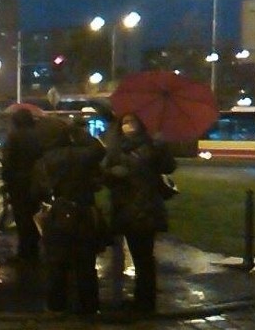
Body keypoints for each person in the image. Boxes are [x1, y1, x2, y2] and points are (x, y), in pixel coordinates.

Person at [103, 113, 176, 313]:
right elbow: (104, 176)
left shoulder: (151, 146)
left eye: (132, 121)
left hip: (146, 208)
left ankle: (145, 301)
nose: (129, 126)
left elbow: (168, 166)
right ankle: (138, 299)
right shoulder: (117, 149)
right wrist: (112, 173)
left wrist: (162, 147)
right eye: (125, 122)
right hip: (124, 208)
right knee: (134, 255)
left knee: (144, 257)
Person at [34, 124, 106, 315]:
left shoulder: (45, 160)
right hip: (82, 211)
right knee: (85, 262)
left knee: (56, 262)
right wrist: (80, 134)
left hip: (57, 213)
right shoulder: (81, 155)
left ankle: (56, 305)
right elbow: (99, 150)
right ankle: (89, 305)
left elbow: (38, 189)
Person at [1, 108, 43, 261]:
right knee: (33, 214)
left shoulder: (14, 136)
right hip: (35, 181)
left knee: (22, 216)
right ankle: (34, 248)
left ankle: (25, 251)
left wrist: (6, 179)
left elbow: (8, 161)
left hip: (18, 182)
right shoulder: (37, 135)